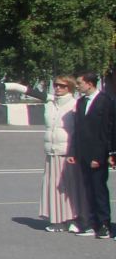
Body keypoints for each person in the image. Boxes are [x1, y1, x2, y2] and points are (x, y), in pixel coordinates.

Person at [68, 71, 114, 239]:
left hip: (97, 154)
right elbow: (77, 130)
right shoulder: (80, 102)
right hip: (83, 153)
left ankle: (104, 225)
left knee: (99, 190)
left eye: (80, 83)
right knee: (88, 190)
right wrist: (73, 152)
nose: (78, 86)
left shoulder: (105, 101)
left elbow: (106, 131)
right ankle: (92, 223)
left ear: (89, 83)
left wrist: (99, 156)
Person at [42, 75, 81, 232]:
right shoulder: (50, 104)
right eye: (56, 85)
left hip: (67, 151)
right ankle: (56, 219)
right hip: (51, 151)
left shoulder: (75, 104)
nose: (57, 88)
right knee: (53, 186)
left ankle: (72, 218)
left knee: (68, 187)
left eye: (62, 86)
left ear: (69, 88)